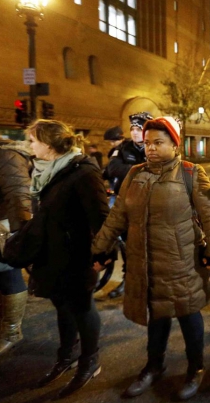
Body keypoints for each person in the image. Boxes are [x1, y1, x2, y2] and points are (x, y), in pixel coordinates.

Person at [91, 117, 210, 400]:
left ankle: (196, 368)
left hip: (182, 263)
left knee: (189, 315)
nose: (151, 148)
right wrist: (99, 248)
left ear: (175, 145)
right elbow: (118, 216)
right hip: (145, 262)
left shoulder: (190, 172)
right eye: (148, 142)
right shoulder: (135, 173)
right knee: (156, 316)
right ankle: (154, 365)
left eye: (158, 143)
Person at [23, 120, 109, 398]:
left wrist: (102, 255)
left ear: (49, 144)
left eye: (33, 141)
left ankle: (90, 361)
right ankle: (66, 357)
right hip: (51, 253)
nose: (29, 146)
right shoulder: (43, 170)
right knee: (62, 306)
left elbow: (101, 218)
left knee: (82, 308)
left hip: (77, 256)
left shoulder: (83, 172)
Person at [102, 112, 152, 298]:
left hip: (150, 205)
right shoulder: (123, 148)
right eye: (132, 128)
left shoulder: (155, 147)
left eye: (139, 128)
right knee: (126, 244)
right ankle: (127, 279)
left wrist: (131, 172)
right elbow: (113, 168)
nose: (135, 132)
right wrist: (140, 170)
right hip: (125, 202)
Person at [0, 138, 32, 356]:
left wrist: (19, 236)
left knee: (8, 274)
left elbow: (19, 198)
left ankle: (12, 331)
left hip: (3, 227)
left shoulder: (7, 157)